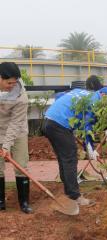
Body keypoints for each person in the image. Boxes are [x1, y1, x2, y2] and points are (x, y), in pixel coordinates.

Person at [43, 79, 107, 206]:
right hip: (59, 125)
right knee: (70, 158)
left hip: (48, 121)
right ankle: (75, 196)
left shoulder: (81, 92)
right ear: (103, 96)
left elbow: (59, 96)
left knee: (64, 158)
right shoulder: (94, 101)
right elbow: (87, 127)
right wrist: (90, 149)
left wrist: (88, 147)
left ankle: (69, 191)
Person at [0, 62, 33, 213]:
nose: (12, 86)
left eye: (15, 82)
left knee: (21, 164)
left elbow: (15, 123)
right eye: (8, 82)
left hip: (17, 131)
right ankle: (0, 202)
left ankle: (24, 202)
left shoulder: (21, 97)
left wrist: (6, 146)